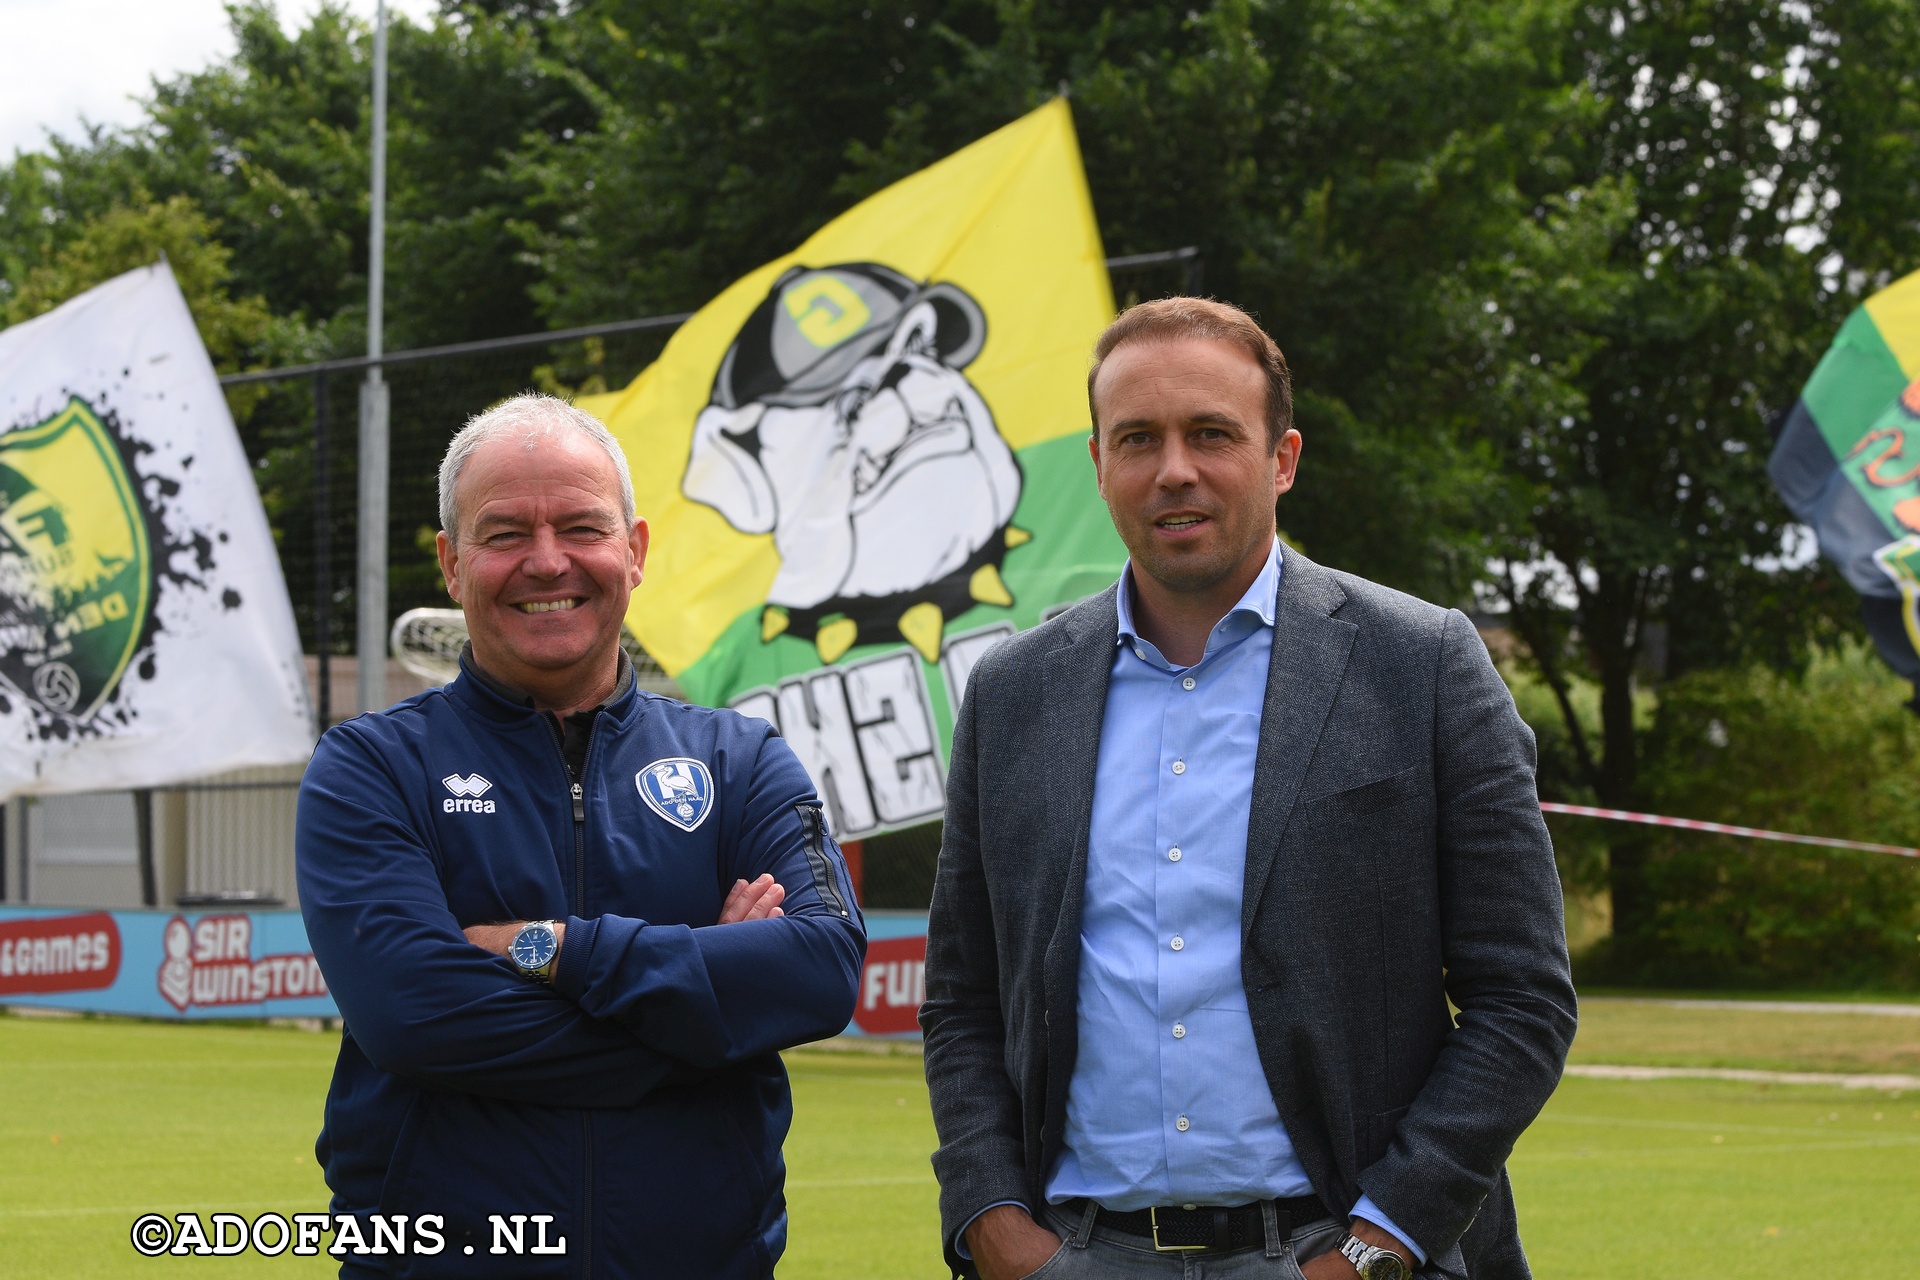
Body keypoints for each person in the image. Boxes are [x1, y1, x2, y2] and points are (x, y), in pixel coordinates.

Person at [921, 299, 1576, 1280]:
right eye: (1138, 437)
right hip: (1081, 1254)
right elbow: (962, 996)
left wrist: (1379, 1241)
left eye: (1212, 433)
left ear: (1283, 458)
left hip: (1335, 1248)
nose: (1173, 468)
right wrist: (994, 1221)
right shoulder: (1013, 693)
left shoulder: (1425, 664)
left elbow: (1521, 996)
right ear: (1098, 464)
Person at [296, 393, 865, 1279]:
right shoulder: (371, 767)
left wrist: (559, 951)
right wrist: (709, 1007)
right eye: (506, 534)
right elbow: (415, 1018)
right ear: (452, 564)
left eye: (581, 527)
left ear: (633, 551)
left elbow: (821, 971)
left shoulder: (741, 760)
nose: (548, 560)